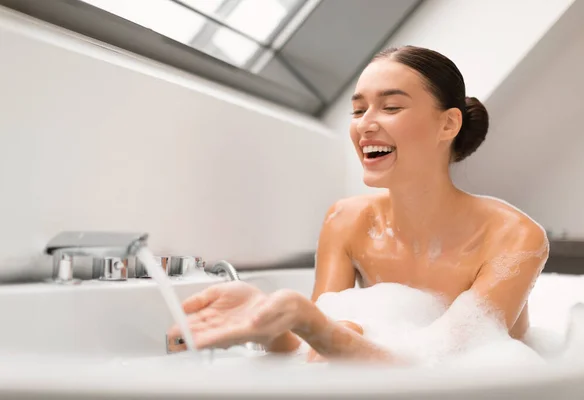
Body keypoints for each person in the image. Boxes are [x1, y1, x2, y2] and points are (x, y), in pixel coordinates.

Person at [167, 46, 549, 364]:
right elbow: (314, 348)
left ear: (448, 125)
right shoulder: (347, 220)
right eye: (357, 109)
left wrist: (305, 319)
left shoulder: (514, 237)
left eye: (391, 107)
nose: (365, 125)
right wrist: (272, 324)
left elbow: (442, 369)